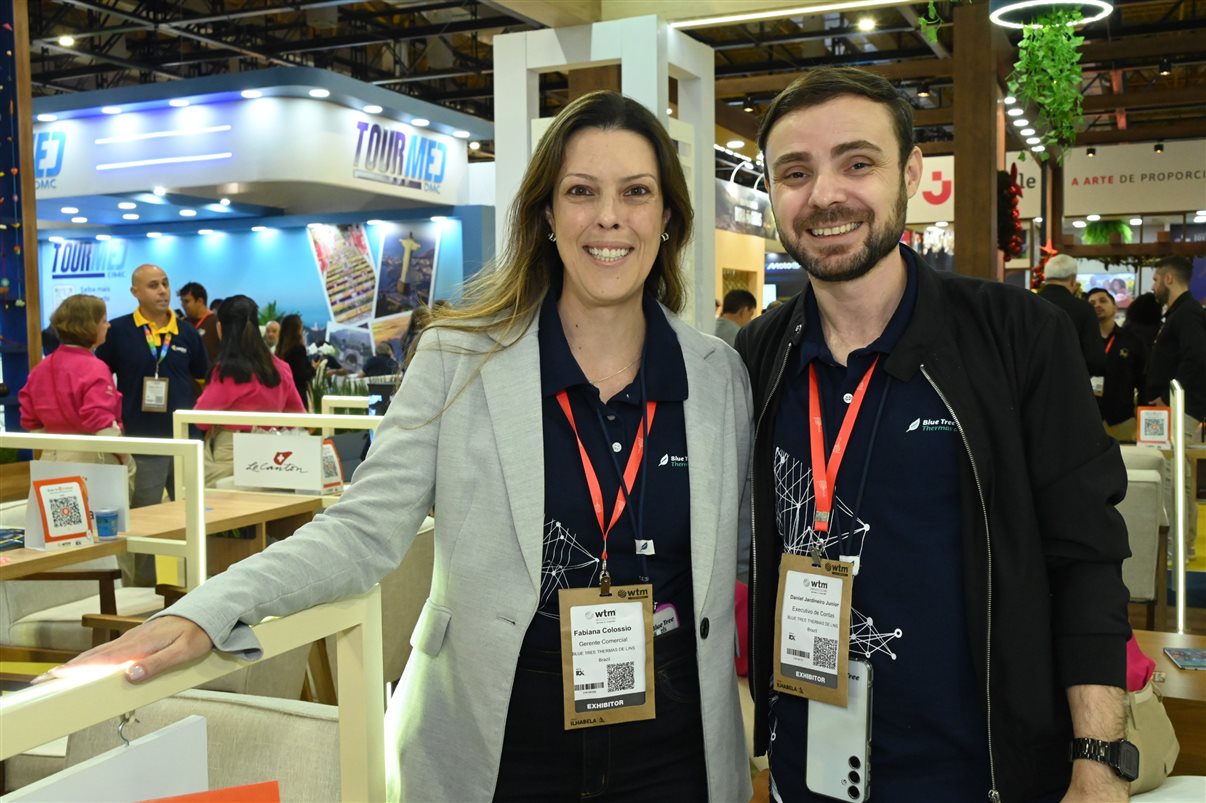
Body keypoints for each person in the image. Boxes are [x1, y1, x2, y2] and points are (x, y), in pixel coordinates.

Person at [47, 91, 754, 803]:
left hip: (674, 748)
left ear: (668, 216)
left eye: (636, 192)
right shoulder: (460, 358)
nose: (608, 216)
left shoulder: (716, 376)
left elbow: (746, 552)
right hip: (496, 740)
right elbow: (363, 528)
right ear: (545, 214)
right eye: (581, 191)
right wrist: (210, 606)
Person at [736, 67, 1131, 803]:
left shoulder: (1016, 337)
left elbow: (1087, 557)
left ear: (911, 173)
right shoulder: (760, 353)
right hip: (804, 772)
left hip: (979, 777)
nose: (824, 195)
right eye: (795, 172)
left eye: (858, 163)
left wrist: (1099, 760)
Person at [96, 265, 208, 584]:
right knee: (144, 521)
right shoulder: (119, 331)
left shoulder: (186, 332)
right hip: (143, 440)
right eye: (153, 285)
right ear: (135, 292)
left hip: (186, 442)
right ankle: (142, 591)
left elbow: (202, 377)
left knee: (194, 518)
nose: (162, 291)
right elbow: (101, 377)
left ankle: (194, 585)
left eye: (165, 284)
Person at [193, 296, 306, 486]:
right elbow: (297, 413)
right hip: (273, 450)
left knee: (223, 502)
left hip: (231, 451)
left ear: (221, 328)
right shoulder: (281, 368)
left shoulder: (227, 372)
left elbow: (200, 420)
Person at [19, 294, 132, 473]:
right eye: (104, 321)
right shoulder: (95, 368)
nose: (108, 325)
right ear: (90, 326)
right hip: (92, 460)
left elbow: (29, 418)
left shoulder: (40, 368)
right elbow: (101, 423)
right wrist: (125, 458)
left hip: (50, 458)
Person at [1143, 255, 1206, 561]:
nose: (1153, 286)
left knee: (1173, 478)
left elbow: (1197, 357)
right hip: (1176, 408)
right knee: (1177, 477)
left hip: (1179, 408)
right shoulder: (1180, 313)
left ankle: (1175, 549)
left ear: (1169, 279)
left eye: (1156, 279)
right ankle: (1181, 546)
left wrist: (1170, 397)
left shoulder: (1187, 314)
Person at [1087, 287, 1146, 442]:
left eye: (1103, 301)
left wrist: (1142, 415)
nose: (1097, 305)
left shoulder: (1132, 340)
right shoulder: (1082, 342)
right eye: (1092, 303)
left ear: (1115, 307)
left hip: (1122, 418)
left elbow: (1143, 380)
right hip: (1089, 419)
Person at [1038, 254, 1108, 376]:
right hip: (1069, 381)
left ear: (1045, 277)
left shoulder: (1028, 305)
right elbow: (1095, 361)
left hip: (1030, 383)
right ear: (1073, 279)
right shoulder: (1084, 309)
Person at [274, 314, 315, 411]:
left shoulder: (279, 349)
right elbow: (302, 374)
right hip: (298, 394)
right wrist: (313, 368)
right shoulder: (298, 349)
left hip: (283, 394)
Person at [178, 281, 220, 365]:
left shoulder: (217, 323)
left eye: (186, 301)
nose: (182, 305)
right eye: (182, 301)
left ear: (200, 301)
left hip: (210, 371)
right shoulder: (182, 323)